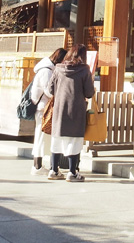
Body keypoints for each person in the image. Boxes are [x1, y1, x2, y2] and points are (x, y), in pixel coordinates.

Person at [45, 44, 94, 182]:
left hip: (59, 109)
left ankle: (54, 170)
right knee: (74, 140)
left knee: (56, 140)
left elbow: (50, 90)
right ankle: (72, 173)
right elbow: (89, 93)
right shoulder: (85, 71)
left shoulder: (58, 69)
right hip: (76, 110)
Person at [29, 47, 67, 175]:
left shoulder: (45, 69)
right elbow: (48, 91)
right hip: (43, 108)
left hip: (42, 107)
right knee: (41, 137)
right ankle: (37, 166)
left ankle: (38, 165)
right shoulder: (47, 71)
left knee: (41, 137)